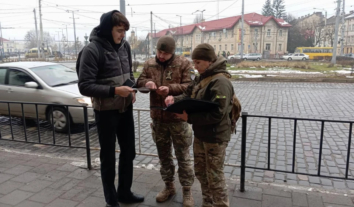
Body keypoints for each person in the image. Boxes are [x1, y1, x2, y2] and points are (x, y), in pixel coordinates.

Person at [78, 10, 144, 207]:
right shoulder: (92, 50)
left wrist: (131, 89)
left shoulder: (125, 46)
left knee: (129, 152)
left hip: (125, 109)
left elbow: (129, 73)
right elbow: (85, 86)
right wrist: (116, 90)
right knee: (108, 157)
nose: (122, 35)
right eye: (119, 30)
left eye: (124, 31)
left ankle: (124, 192)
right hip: (105, 112)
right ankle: (111, 200)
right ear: (108, 29)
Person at [165, 43, 234, 207]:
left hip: (215, 137)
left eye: (198, 62)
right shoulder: (202, 77)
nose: (195, 67)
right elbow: (189, 93)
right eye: (193, 62)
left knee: (215, 177)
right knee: (202, 173)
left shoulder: (221, 82)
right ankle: (207, 203)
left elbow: (218, 113)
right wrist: (175, 100)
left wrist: (189, 117)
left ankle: (220, 204)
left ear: (209, 61)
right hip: (201, 134)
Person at [136, 35, 195, 207]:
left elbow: (190, 87)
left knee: (183, 156)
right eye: (159, 52)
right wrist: (146, 84)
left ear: (172, 53)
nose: (161, 56)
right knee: (164, 157)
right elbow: (139, 81)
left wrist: (170, 89)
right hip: (158, 118)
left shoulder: (184, 64)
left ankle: (187, 191)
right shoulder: (149, 64)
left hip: (178, 118)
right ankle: (169, 187)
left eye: (165, 53)